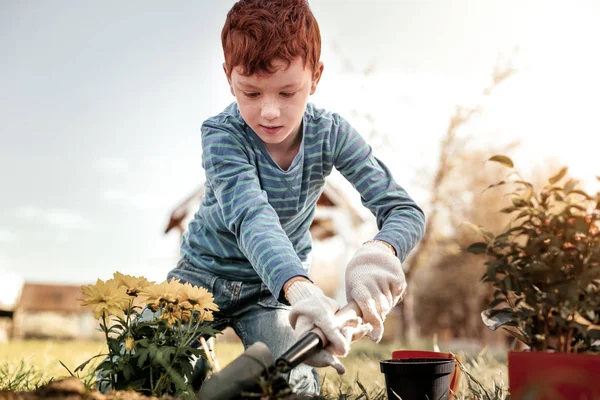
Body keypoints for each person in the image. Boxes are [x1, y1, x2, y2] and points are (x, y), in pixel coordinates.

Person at [167, 0, 426, 395]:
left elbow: (403, 210)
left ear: (315, 77)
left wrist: (380, 252)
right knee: (146, 369)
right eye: (250, 92)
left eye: (288, 92)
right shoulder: (222, 135)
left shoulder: (331, 134)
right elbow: (253, 217)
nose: (269, 112)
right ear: (228, 77)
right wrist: (303, 291)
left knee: (295, 388)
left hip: (271, 294)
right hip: (201, 277)